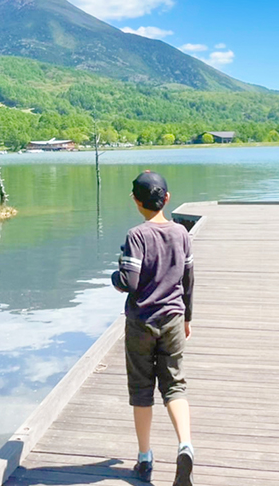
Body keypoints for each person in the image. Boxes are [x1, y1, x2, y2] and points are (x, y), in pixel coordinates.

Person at [111, 170, 195, 486]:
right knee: (175, 385)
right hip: (173, 318)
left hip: (141, 323)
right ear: (167, 198)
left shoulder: (136, 236)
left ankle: (145, 458)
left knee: (142, 390)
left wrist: (114, 278)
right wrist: (187, 317)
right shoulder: (181, 234)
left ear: (136, 201)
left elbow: (129, 281)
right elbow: (188, 280)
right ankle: (185, 444)